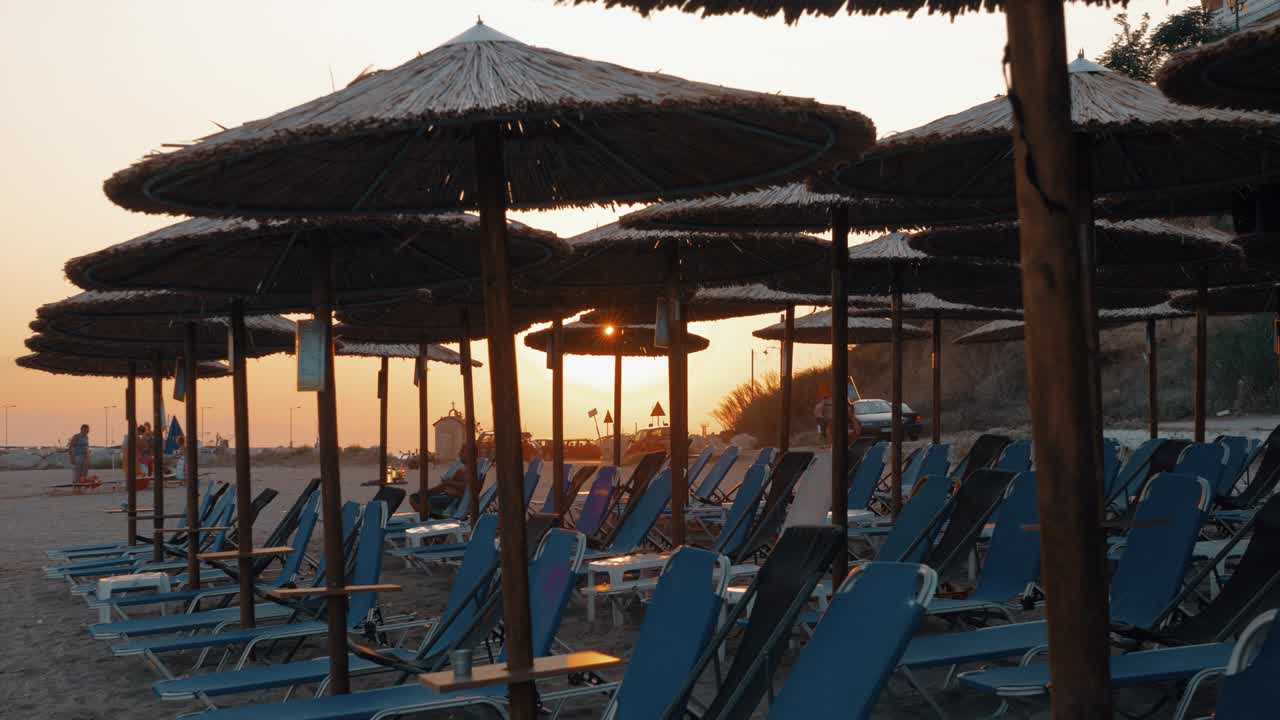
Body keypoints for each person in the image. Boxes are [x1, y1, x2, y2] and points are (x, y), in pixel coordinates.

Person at [409, 450, 471, 516]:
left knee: (420, 500)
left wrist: (449, 482)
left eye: (462, 451)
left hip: (453, 499)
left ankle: (428, 515)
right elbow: (443, 486)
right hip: (447, 495)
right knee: (415, 497)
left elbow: (467, 487)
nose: (459, 453)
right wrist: (428, 492)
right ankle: (428, 514)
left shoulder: (471, 471)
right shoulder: (461, 469)